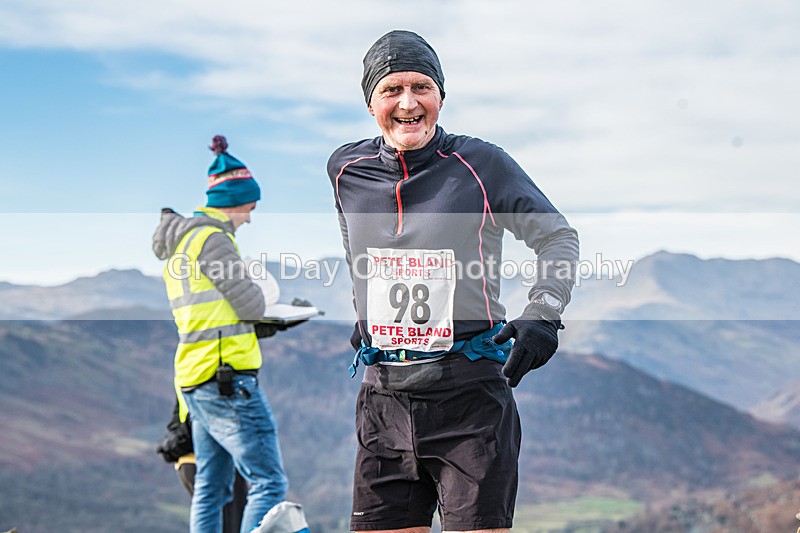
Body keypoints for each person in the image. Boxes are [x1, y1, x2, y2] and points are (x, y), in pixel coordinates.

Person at [327, 30, 579, 533]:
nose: (408, 102)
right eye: (391, 90)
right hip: (383, 401)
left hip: (469, 400)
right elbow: (360, 247)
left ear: (440, 95)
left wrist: (543, 312)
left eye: (421, 87)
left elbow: (557, 237)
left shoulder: (481, 165)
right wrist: (368, 314)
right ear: (370, 102)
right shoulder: (345, 170)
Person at [153, 135, 288, 533]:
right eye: (250, 206)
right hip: (226, 379)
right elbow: (249, 305)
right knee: (269, 481)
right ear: (235, 199)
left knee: (213, 488)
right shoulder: (215, 240)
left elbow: (217, 309)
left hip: (195, 378)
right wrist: (265, 300)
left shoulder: (185, 241)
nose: (250, 217)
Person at [156, 399, 248, 533]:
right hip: (212, 459)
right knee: (231, 524)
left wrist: (175, 443)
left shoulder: (183, 378)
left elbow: (179, 415)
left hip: (191, 460)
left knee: (217, 520)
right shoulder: (207, 381)